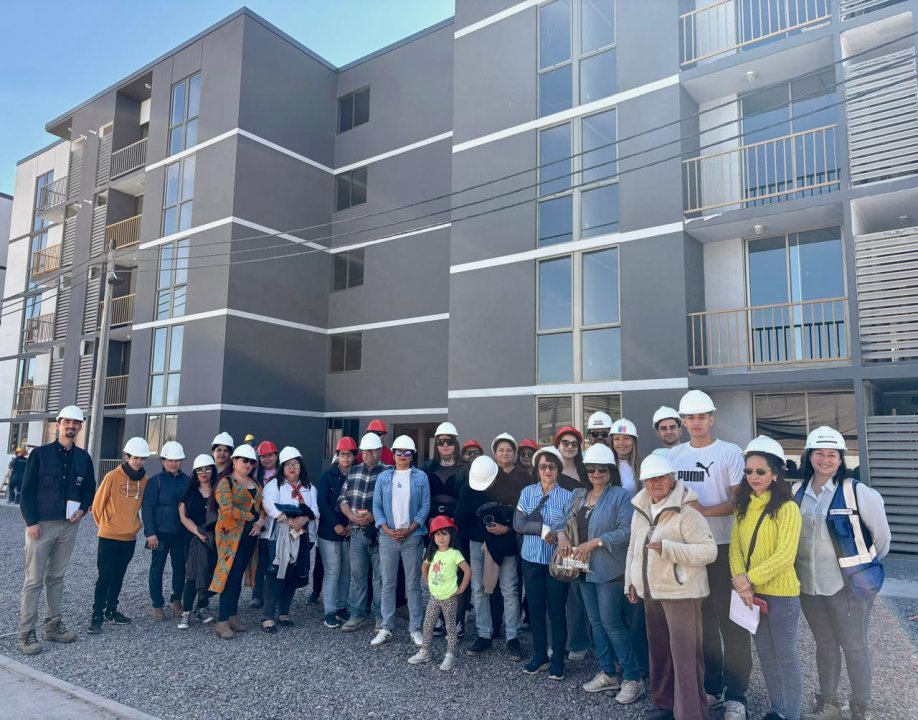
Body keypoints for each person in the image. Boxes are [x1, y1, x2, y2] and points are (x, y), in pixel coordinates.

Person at [794, 427, 891, 720]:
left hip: (849, 587)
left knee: (854, 646)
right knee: (825, 646)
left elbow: (882, 540)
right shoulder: (796, 492)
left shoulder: (857, 492)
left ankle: (861, 706)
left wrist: (861, 568)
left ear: (840, 458)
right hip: (810, 586)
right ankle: (828, 703)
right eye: (819, 453)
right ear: (809, 456)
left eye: (832, 454)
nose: (825, 460)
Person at [669, 389, 749, 720]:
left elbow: (739, 500)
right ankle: (712, 688)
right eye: (690, 417)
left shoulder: (729, 452)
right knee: (703, 625)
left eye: (702, 416)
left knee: (733, 625)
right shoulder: (675, 455)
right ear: (683, 422)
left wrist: (703, 512)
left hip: (724, 547)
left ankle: (738, 696)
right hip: (691, 551)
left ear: (711, 419)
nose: (697, 422)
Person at [626, 454, 717, 720]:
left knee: (685, 656)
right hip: (652, 592)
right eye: (650, 478)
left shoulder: (687, 512)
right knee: (660, 653)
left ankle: (690, 712)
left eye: (661, 477)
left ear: (672, 478)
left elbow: (709, 551)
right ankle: (665, 705)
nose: (656, 482)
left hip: (681, 593)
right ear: (644, 481)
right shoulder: (640, 510)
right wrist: (631, 581)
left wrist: (669, 549)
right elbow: (633, 548)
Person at [555, 442, 644, 703]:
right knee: (595, 623)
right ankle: (608, 673)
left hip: (608, 570)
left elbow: (627, 530)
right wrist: (561, 536)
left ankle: (633, 678)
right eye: (592, 469)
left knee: (612, 623)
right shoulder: (578, 494)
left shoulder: (620, 496)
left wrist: (595, 542)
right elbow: (561, 519)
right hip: (582, 569)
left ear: (610, 471)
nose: (596, 474)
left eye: (602, 469)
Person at [730, 436, 803, 720]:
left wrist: (748, 579)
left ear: (775, 474)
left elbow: (785, 555)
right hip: (752, 593)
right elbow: (735, 548)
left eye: (761, 471)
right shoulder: (742, 506)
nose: (754, 476)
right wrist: (741, 582)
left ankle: (791, 714)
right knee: (766, 655)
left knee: (786, 657)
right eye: (749, 471)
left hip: (781, 594)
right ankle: (778, 709)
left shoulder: (787, 508)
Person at [17, 405, 94, 656]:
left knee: (56, 577)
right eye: (67, 422)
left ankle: (53, 625)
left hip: (69, 526)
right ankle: (26, 632)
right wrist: (31, 522)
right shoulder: (40, 455)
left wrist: (82, 510)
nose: (71, 426)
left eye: (76, 423)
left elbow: (89, 489)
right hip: (41, 525)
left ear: (80, 427)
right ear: (58, 424)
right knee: (34, 580)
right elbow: (27, 490)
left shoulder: (83, 458)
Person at [455, 455, 526, 662]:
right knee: (478, 588)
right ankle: (484, 634)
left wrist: (507, 528)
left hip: (505, 542)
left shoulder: (511, 486)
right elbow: (461, 520)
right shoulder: (468, 489)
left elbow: (520, 515)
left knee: (509, 588)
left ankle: (512, 636)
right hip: (478, 543)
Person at [514, 446, 573, 680]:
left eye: (552, 466)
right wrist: (543, 529)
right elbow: (518, 524)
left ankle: (558, 659)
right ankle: (540, 656)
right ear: (537, 470)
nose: (547, 470)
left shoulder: (568, 496)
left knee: (557, 612)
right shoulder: (527, 492)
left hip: (555, 562)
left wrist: (558, 532)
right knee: (536, 610)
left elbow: (569, 528)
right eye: (543, 466)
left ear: (558, 470)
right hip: (531, 560)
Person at [371, 435, 430, 647]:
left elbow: (425, 506)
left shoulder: (421, 477)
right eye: (399, 451)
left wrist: (411, 528)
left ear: (412, 455)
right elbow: (377, 505)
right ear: (393, 454)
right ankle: (386, 627)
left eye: (407, 452)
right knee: (387, 583)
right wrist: (386, 528)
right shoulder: (384, 477)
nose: (402, 455)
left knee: (413, 584)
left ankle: (415, 629)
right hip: (388, 538)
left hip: (412, 537)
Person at [88, 437, 151, 634]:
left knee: (119, 575)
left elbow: (144, 508)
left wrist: (135, 527)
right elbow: (98, 504)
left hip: (129, 537)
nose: (138, 461)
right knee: (104, 576)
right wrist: (106, 525)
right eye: (135, 458)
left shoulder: (145, 481)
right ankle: (97, 615)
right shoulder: (112, 477)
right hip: (109, 536)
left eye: (142, 458)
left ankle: (111, 611)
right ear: (126, 457)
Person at [209, 444, 265, 639]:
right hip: (229, 538)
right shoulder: (225, 482)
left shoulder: (255, 482)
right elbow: (227, 509)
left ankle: (232, 616)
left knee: (238, 575)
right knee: (230, 576)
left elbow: (262, 506)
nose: (248, 464)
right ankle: (222, 621)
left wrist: (260, 521)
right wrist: (252, 518)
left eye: (252, 462)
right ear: (234, 460)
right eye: (244, 460)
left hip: (249, 537)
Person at [260, 446, 319, 632]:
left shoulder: (309, 488)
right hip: (278, 536)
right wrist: (286, 519)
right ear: (282, 468)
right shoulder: (274, 485)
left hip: (301, 535)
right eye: (288, 465)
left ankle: (284, 612)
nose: (292, 468)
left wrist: (304, 518)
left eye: (295, 464)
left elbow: (315, 509)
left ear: (301, 466)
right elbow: (268, 504)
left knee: (293, 575)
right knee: (275, 574)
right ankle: (268, 616)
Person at [422, 421, 469, 637]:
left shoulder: (465, 468)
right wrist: (429, 521)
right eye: (441, 442)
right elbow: (422, 497)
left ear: (456, 443)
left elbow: (468, 497)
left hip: (457, 526)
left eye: (449, 441)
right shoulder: (427, 467)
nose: (445, 445)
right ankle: (440, 618)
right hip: (433, 527)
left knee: (457, 572)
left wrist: (455, 519)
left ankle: (457, 621)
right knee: (438, 571)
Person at [338, 432, 389, 632]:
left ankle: (380, 617)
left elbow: (391, 501)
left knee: (380, 577)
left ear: (380, 451)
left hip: (379, 533)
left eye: (373, 451)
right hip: (357, 531)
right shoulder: (353, 471)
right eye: (365, 451)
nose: (368, 454)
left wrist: (374, 517)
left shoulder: (388, 472)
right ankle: (357, 614)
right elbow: (342, 498)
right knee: (358, 575)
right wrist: (351, 516)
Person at [408, 516, 472, 671]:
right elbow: (424, 567)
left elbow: (467, 571)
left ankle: (450, 655)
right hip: (434, 596)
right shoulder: (432, 553)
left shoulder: (455, 554)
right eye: (437, 534)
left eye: (445, 534)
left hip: (449, 597)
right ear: (433, 537)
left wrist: (461, 589)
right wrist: (428, 582)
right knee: (428, 624)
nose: (441, 538)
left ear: (451, 535)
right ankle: (425, 651)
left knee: (450, 627)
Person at [552, 426, 591, 663]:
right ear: (557, 445)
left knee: (576, 589)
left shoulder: (585, 471)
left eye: (573, 443)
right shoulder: (550, 468)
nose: (569, 447)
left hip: (578, 536)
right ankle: (556, 642)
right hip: (553, 535)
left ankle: (578, 642)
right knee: (557, 589)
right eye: (565, 443)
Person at [142, 441, 189, 620]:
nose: (174, 464)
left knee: (180, 567)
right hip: (160, 533)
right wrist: (150, 533)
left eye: (177, 460)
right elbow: (147, 508)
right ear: (163, 461)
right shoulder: (155, 481)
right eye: (170, 460)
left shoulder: (187, 481)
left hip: (180, 532)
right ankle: (157, 604)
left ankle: (176, 599)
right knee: (157, 568)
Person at [177, 454, 219, 629]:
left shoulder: (218, 490)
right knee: (193, 575)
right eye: (200, 469)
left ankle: (202, 608)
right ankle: (186, 613)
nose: (204, 472)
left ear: (212, 470)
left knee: (209, 572)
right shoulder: (189, 491)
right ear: (195, 472)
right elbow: (183, 516)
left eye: (207, 469)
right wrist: (198, 532)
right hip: (194, 539)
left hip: (214, 539)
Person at [317, 436, 355, 628]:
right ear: (337, 456)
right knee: (333, 570)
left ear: (354, 456)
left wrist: (350, 524)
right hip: (329, 530)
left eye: (348, 454)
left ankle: (341, 607)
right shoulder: (328, 475)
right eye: (342, 454)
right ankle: (329, 611)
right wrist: (336, 525)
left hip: (350, 529)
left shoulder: (357, 474)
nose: (345, 457)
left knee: (346, 571)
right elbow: (322, 502)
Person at [252, 439, 280, 609]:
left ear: (276, 456)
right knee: (260, 560)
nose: (267, 459)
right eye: (263, 456)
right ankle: (257, 593)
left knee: (275, 560)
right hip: (259, 522)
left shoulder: (282, 473)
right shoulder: (255, 475)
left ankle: (273, 594)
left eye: (270, 455)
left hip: (278, 521)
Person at [611, 418, 642, 496]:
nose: (621, 443)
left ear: (633, 442)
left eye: (626, 438)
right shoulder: (605, 468)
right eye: (617, 439)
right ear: (612, 443)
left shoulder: (643, 467)